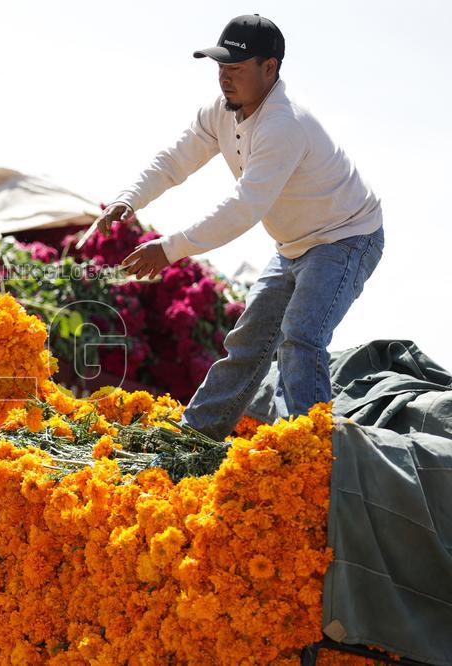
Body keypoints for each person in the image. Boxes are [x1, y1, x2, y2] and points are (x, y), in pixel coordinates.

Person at [91, 15, 384, 440]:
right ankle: (195, 437)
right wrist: (128, 198)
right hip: (293, 245)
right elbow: (176, 160)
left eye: (236, 69)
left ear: (271, 68)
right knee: (249, 340)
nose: (225, 79)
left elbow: (245, 207)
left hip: (346, 237)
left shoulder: (283, 124)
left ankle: (309, 453)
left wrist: (169, 249)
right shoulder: (220, 112)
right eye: (221, 68)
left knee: (300, 336)